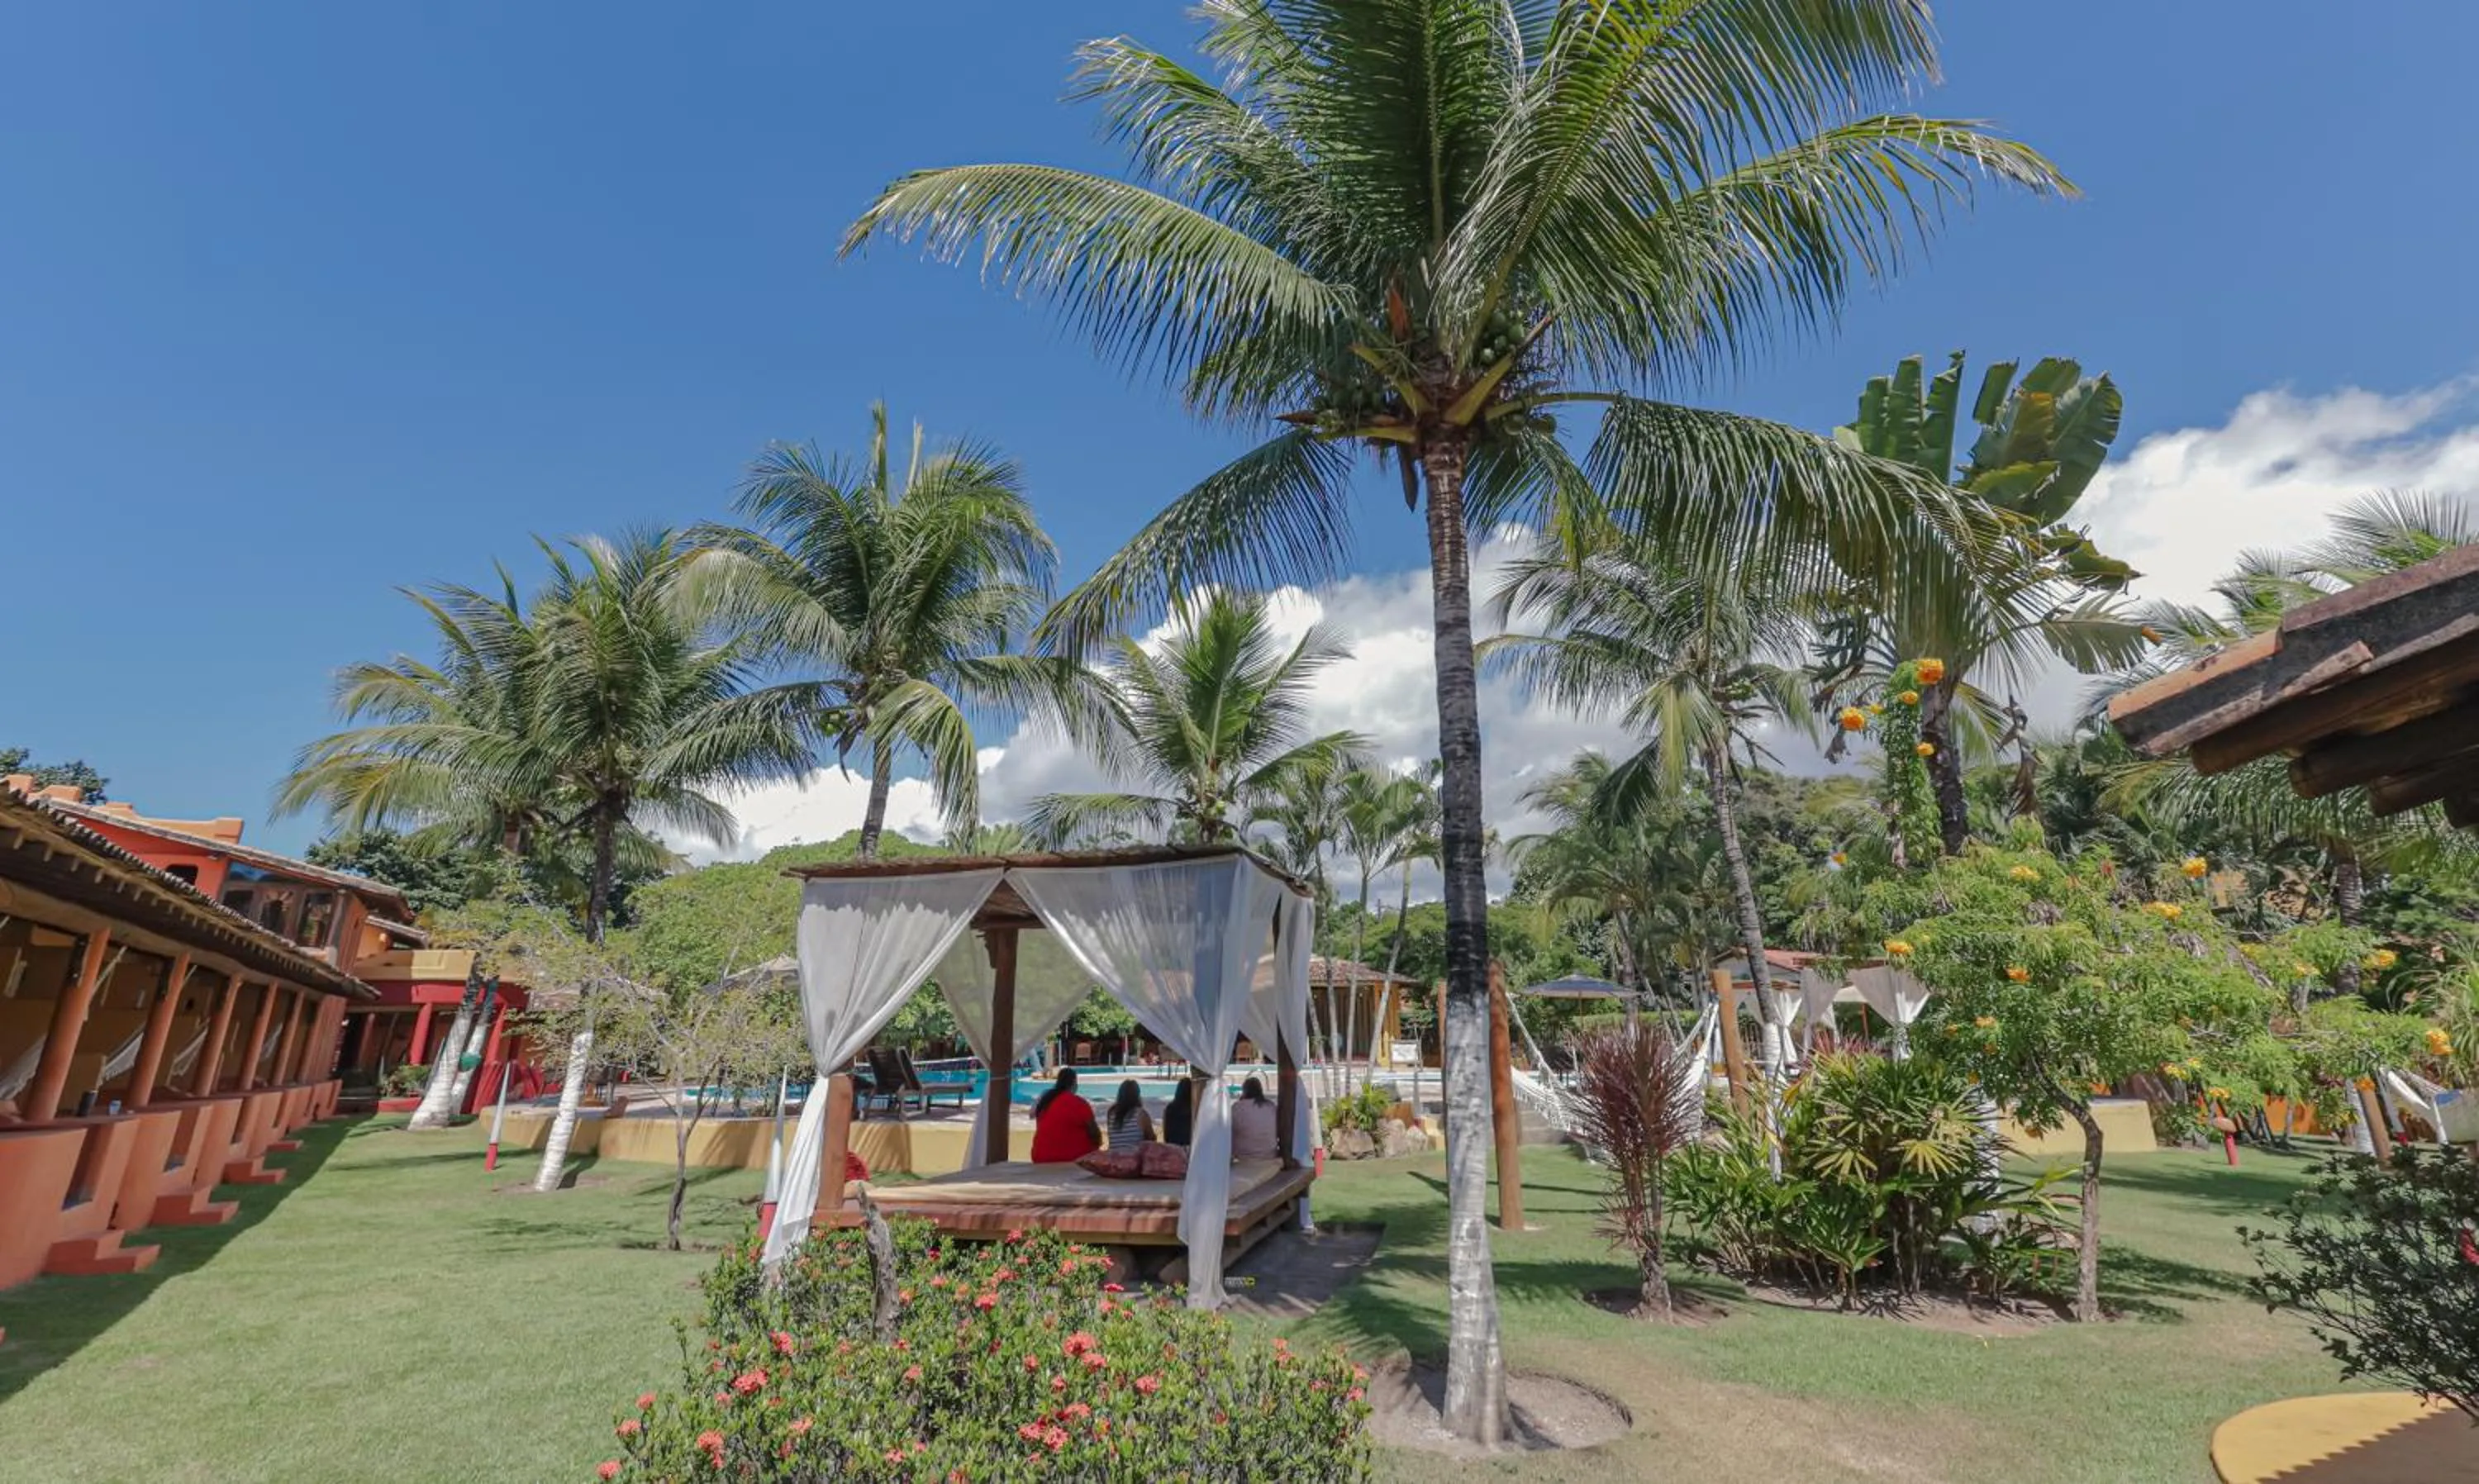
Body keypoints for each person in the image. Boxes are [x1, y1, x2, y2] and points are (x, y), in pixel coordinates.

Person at [1027, 1068, 1101, 1163]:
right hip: (1070, 1158)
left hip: (1040, 1157)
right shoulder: (1079, 1103)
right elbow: (1095, 1134)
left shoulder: (1045, 1101)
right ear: (1074, 1083)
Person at [1229, 1076, 1279, 1161]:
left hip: (1243, 1157)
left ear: (1244, 1091)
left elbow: (1228, 1131)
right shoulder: (1270, 1106)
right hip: (1269, 1155)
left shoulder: (1237, 1108)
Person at [1105, 1078, 1155, 1153]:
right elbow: (1151, 1140)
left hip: (1114, 1157)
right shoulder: (1141, 1114)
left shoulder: (1111, 1113)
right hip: (1134, 1159)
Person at [1159, 1076, 1196, 1149]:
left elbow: (1166, 1135)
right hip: (1190, 1149)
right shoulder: (1194, 1110)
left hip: (1172, 1149)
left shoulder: (1169, 1109)